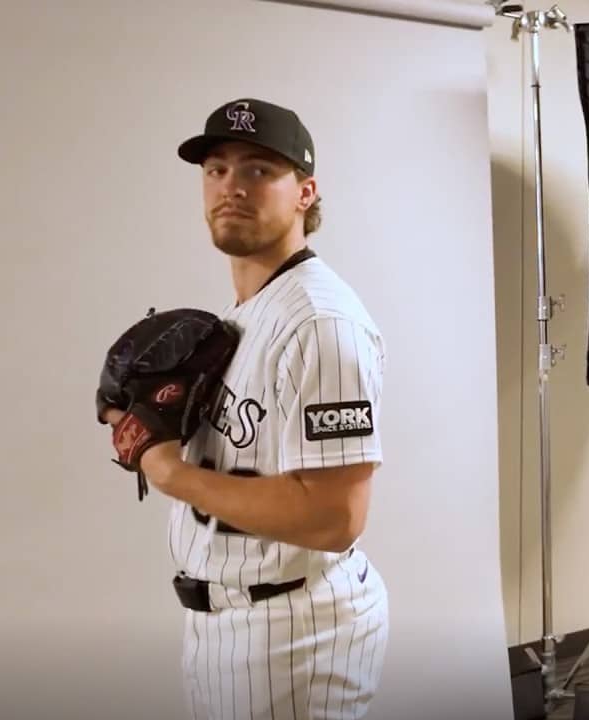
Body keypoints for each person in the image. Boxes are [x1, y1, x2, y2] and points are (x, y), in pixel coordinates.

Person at [103, 97, 389, 720]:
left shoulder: (319, 322)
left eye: (260, 169)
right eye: (217, 169)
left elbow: (335, 516)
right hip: (234, 620)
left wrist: (169, 471)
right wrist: (144, 417)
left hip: (291, 633)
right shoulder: (245, 312)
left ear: (304, 192)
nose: (232, 186)